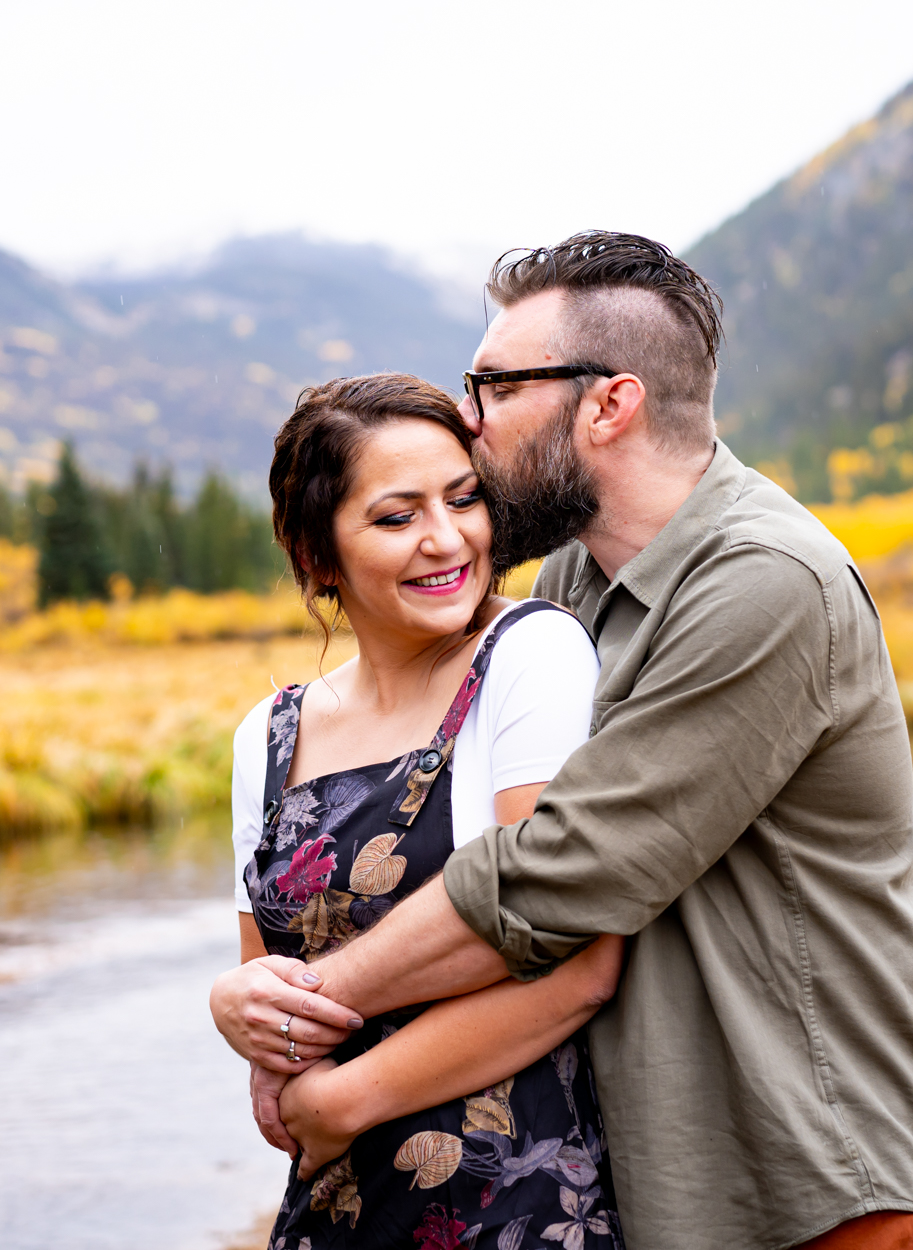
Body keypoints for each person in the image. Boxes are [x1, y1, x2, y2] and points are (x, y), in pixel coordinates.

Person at [216, 233, 913, 1250]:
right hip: (661, 1179)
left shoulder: (767, 581)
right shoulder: (574, 585)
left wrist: (302, 1011)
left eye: (493, 386)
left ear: (607, 404)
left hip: (806, 1178)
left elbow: (565, 870)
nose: (466, 421)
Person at [208, 373, 627, 1248]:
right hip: (334, 1211)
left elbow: (576, 966)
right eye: (397, 517)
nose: (448, 540)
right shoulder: (268, 734)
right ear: (321, 556)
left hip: (515, 1204)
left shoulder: (531, 656)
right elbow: (277, 1012)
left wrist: (342, 1097)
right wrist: (232, 1003)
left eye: (464, 498)